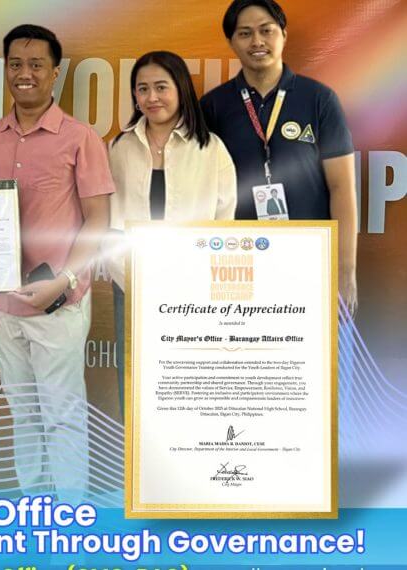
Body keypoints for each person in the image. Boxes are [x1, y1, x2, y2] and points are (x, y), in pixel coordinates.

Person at [0, 25, 114, 500]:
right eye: (15, 64)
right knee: (23, 414)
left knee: (62, 415)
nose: (25, 73)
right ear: (4, 71)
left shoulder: (81, 138)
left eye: (36, 64)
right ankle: (35, 514)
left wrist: (66, 279)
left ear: (55, 73)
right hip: (4, 302)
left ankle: (71, 520)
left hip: (58, 301)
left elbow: (98, 221)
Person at [200, 0, 357, 313]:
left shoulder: (319, 99)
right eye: (245, 33)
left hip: (309, 260)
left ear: (283, 34)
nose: (257, 41)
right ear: (231, 42)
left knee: (313, 360)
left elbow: (342, 188)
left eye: (266, 31)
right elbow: (202, 192)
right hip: (237, 265)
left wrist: (345, 271)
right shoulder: (213, 107)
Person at [108, 51, 236, 416]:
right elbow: (109, 224)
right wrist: (131, 279)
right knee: (134, 388)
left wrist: (199, 280)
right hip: (131, 286)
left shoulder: (210, 149)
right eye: (142, 89)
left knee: (188, 391)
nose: (151, 98)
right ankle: (136, 472)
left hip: (193, 290)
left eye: (161, 87)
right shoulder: (120, 148)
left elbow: (225, 222)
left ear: (181, 89)